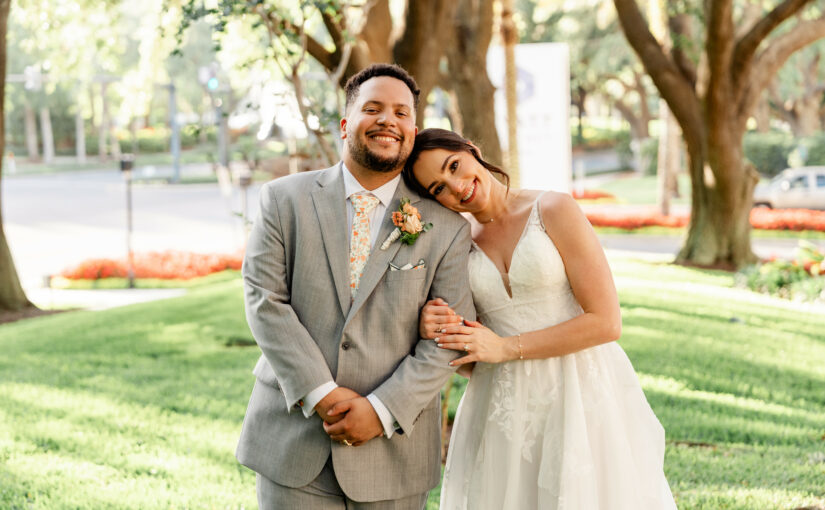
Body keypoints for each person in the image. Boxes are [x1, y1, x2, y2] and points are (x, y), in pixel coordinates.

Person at [236, 67, 475, 509]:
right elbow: (264, 300)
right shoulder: (282, 199)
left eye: (401, 112)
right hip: (293, 445)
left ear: (413, 131)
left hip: (394, 452)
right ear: (346, 125)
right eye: (373, 108)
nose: (388, 120)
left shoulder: (447, 228)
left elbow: (450, 336)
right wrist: (322, 394)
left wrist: (381, 410)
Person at [402, 128, 677, 509]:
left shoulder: (553, 209)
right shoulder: (455, 246)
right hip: (502, 405)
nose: (456, 186)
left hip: (580, 392)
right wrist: (433, 329)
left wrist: (505, 348)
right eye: (438, 188)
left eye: (454, 166)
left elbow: (607, 322)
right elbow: (473, 360)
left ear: (472, 150)